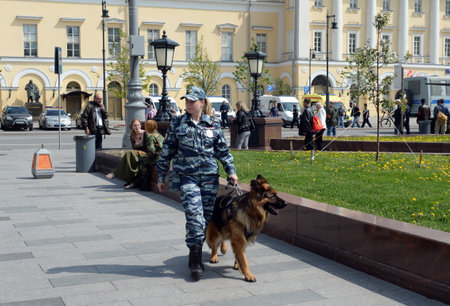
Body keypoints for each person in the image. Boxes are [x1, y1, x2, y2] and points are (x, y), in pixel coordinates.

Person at [156, 86, 238, 280]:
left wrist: (231, 172)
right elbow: (166, 151)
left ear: (202, 102)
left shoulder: (213, 124)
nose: (189, 104)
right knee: (194, 216)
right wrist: (161, 177)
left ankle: (197, 249)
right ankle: (195, 259)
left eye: (193, 101)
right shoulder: (177, 124)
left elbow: (222, 151)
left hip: (210, 179)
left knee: (205, 218)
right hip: (188, 177)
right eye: (187, 100)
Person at [106, 119, 162, 189]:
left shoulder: (146, 134)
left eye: (138, 125)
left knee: (130, 154)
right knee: (130, 161)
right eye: (135, 125)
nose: (137, 127)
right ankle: (132, 182)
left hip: (145, 154)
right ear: (132, 127)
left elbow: (151, 150)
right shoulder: (132, 136)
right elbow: (134, 149)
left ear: (141, 126)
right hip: (137, 154)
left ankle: (115, 173)